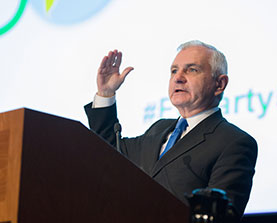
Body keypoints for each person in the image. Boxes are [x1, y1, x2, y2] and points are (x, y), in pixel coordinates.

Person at [84, 40, 257, 218]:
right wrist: (105, 94)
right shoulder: (159, 128)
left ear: (219, 84)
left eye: (192, 70)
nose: (178, 77)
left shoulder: (233, 142)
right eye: (174, 71)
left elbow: (218, 216)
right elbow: (110, 152)